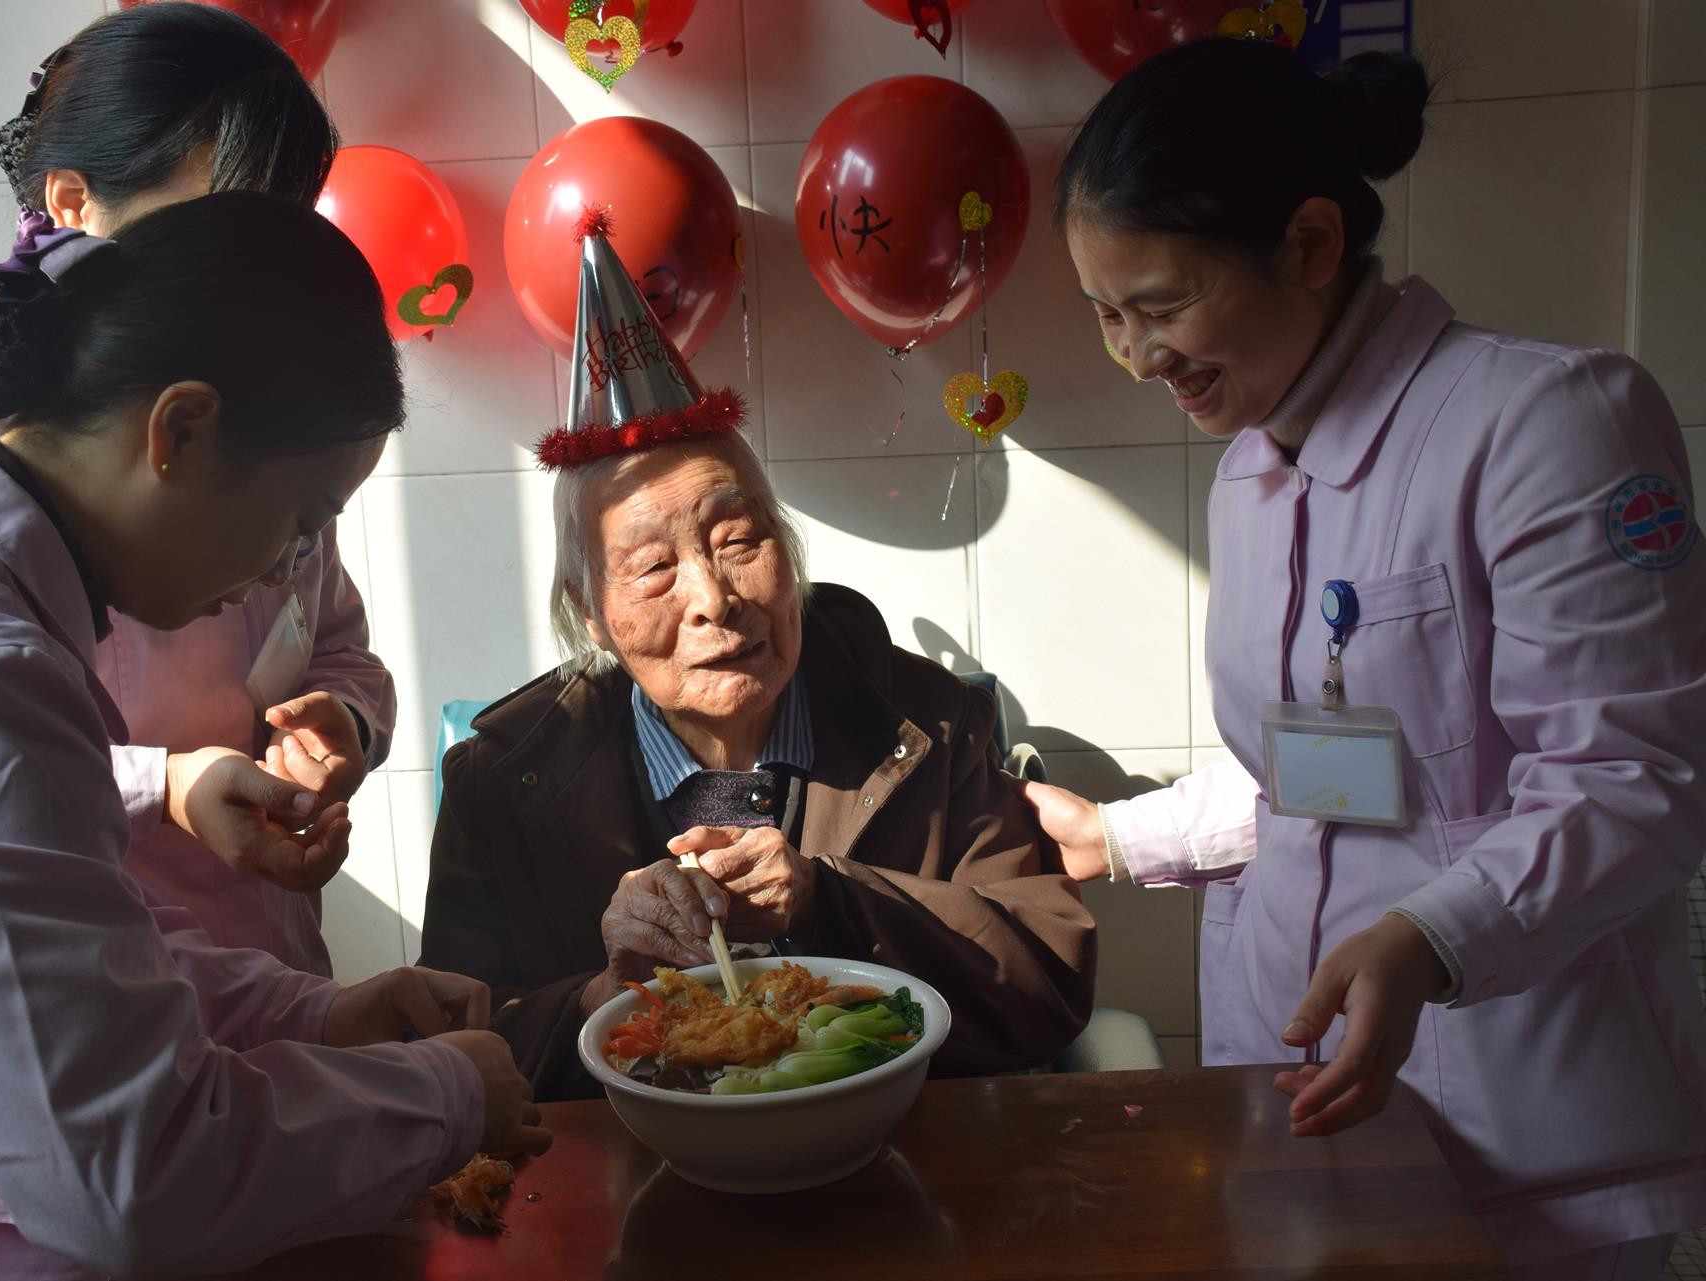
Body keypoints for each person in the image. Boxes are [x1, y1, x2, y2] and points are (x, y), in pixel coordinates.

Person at [1018, 37, 1706, 1280]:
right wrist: (1118, 839)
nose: (1135, 356)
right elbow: (1331, 772)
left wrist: (1431, 935)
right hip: (1293, 1102)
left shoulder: (1549, 425)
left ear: (1314, 244)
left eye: (1163, 306)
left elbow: (1634, 781)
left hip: (1517, 1121)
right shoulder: (1251, 471)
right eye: (1108, 315)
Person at [0, 192, 549, 1281]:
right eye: (299, 524)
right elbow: (135, 1175)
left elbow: (72, 940)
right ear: (181, 431)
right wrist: (446, 1092)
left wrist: (321, 1014)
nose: (290, 573)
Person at [419, 210, 1095, 1100]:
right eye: (655, 568)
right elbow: (451, 1046)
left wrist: (832, 899)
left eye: (740, 539)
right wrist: (604, 1000)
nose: (713, 598)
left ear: (789, 552)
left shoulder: (930, 726)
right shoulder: (502, 781)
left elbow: (1048, 983)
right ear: (590, 614)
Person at [0, 1, 392, 968]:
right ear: (72, 205)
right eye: (226, 222)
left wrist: (342, 720)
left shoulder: (248, 421)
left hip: (255, 966)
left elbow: (325, 636)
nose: (260, 270)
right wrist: (167, 782)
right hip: (63, 956)